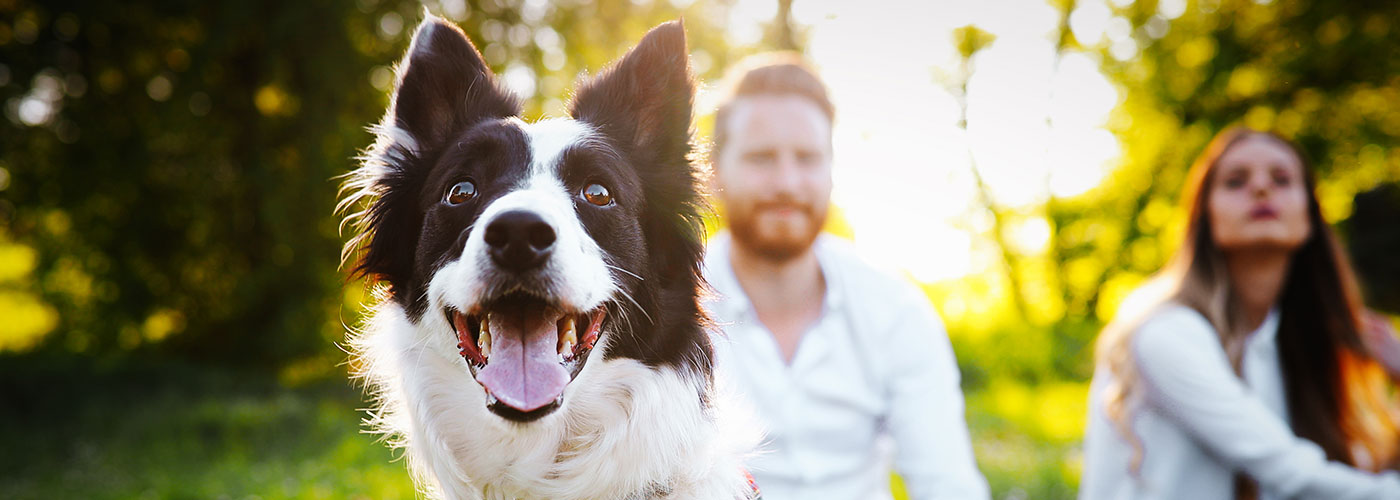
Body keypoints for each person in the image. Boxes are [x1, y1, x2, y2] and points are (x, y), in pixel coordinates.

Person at [702, 53, 989, 500]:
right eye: (761, 158)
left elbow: (946, 484)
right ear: (715, 171)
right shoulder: (661, 309)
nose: (787, 182)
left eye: (807, 158)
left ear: (833, 169)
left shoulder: (895, 310)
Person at [1080, 126, 1400, 500]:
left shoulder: (1282, 344)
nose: (1262, 188)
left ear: (1310, 216)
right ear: (1204, 215)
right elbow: (1295, 475)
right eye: (1235, 181)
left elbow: (1355, 468)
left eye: (1282, 179)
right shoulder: (1165, 330)